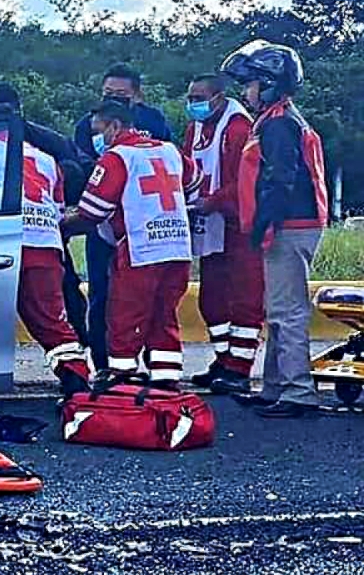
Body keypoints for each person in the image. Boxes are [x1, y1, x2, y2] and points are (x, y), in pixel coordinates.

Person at [221, 40, 329, 418]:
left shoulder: (280, 123)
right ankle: (275, 387)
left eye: (250, 84)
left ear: (268, 84)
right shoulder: (276, 119)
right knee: (278, 310)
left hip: (290, 225)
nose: (245, 91)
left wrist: (265, 222)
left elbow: (280, 178)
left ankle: (298, 392)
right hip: (291, 224)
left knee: (288, 311)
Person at [62, 99, 201, 388]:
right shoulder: (169, 150)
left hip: (140, 248)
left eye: (98, 130)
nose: (96, 139)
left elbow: (92, 212)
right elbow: (194, 181)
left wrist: (58, 225)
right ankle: (166, 380)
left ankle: (122, 378)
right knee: (164, 315)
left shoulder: (117, 157)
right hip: (176, 248)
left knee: (125, 314)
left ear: (115, 125)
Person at [0, 83, 91, 396]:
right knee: (52, 322)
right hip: (45, 244)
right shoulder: (45, 156)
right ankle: (76, 381)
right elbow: (57, 207)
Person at [73, 64, 174, 372]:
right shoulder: (87, 125)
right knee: (102, 297)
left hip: (146, 227)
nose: (114, 99)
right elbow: (81, 168)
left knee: (155, 302)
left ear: (137, 95)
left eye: (121, 95)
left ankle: (158, 374)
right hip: (105, 224)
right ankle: (106, 367)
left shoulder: (154, 121)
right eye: (108, 94)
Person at [181, 73, 259, 395]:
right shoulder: (194, 129)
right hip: (210, 223)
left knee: (244, 298)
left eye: (199, 98)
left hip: (239, 225)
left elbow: (245, 180)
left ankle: (240, 367)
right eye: (190, 98)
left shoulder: (239, 127)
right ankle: (223, 358)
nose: (193, 104)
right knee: (212, 299)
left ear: (219, 97)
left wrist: (213, 202)